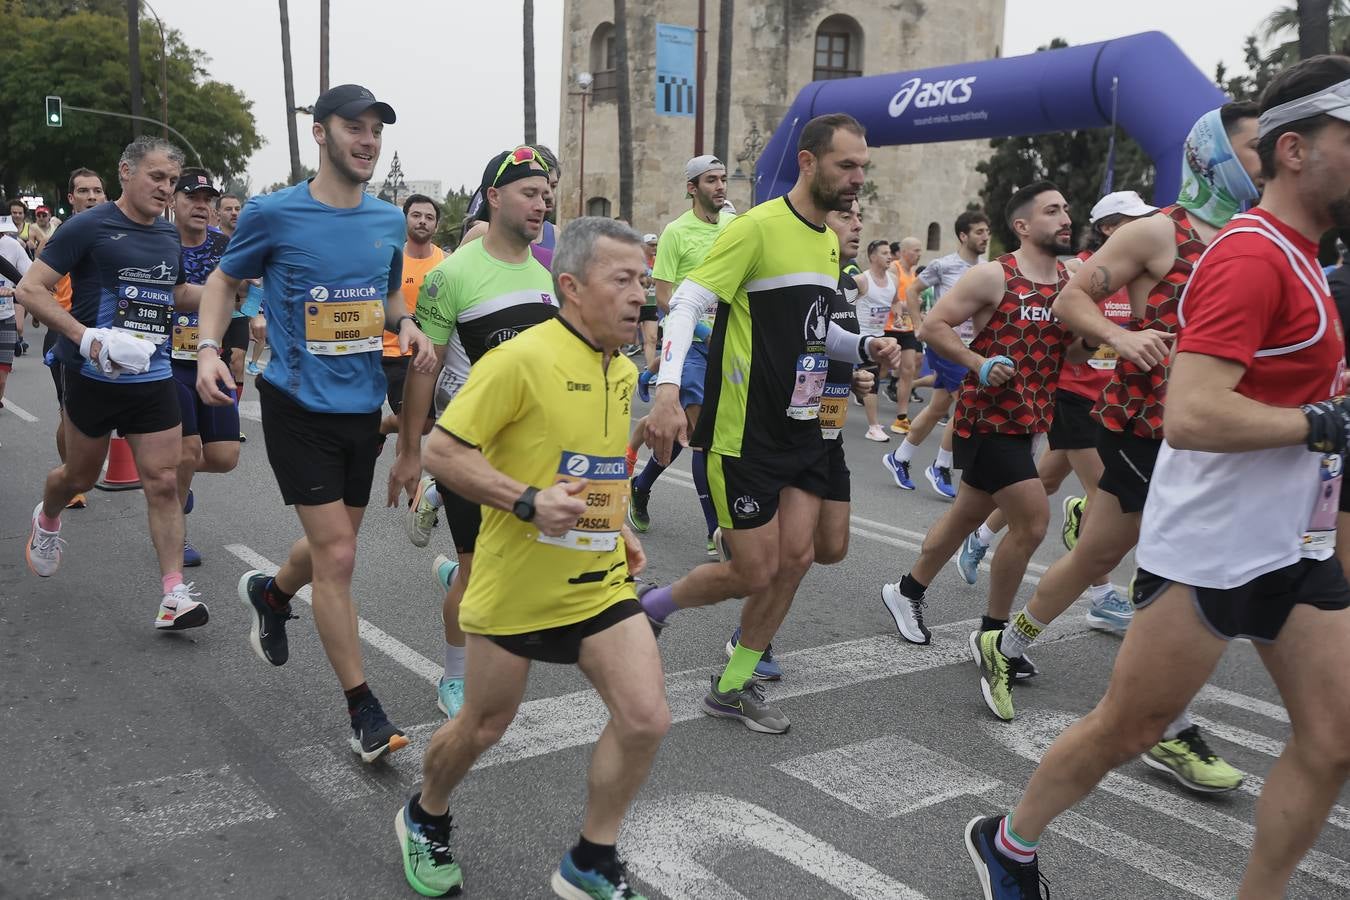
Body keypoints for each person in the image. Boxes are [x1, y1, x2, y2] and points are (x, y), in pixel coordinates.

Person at [967, 56, 1350, 900]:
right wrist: (1317, 423)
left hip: (1293, 541)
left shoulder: (1299, 254)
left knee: (1332, 742)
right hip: (1209, 535)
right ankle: (1011, 840)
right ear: (1293, 151)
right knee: (1126, 725)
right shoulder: (1241, 254)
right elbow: (1194, 414)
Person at [965, 104, 1262, 798]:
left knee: (1112, 558)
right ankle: (1168, 721)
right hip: (1145, 425)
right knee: (1151, 567)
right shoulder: (1162, 230)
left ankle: (1004, 646)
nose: (1267, 159)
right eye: (1254, 148)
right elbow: (1072, 300)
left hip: (1215, 434)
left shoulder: (1258, 235)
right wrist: (1124, 339)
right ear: (1214, 156)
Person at [394, 218, 665, 900]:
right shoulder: (518, 360)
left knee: (645, 717)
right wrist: (525, 502)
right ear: (571, 287)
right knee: (483, 725)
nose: (641, 296)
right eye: (622, 280)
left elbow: (592, 459)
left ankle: (591, 858)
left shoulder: (622, 367)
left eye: (644, 280)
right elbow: (442, 452)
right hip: (515, 584)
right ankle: (424, 815)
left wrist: (618, 522)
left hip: (597, 582)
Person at [639, 114, 902, 732]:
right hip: (748, 431)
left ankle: (731, 685)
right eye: (847, 165)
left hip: (806, 425)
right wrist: (668, 389)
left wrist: (863, 348)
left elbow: (815, 329)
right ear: (808, 163)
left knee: (812, 553)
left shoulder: (825, 242)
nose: (858, 179)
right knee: (755, 570)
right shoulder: (755, 229)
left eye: (863, 166)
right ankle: (653, 604)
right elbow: (687, 304)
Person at [196, 84, 435, 763]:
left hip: (361, 406)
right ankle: (365, 710)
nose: (366, 141)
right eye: (353, 127)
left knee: (333, 547)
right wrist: (210, 349)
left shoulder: (388, 220)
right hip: (295, 404)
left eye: (375, 132)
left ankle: (272, 596)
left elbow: (387, 297)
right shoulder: (274, 213)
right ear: (320, 134)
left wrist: (408, 323)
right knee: (338, 556)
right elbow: (223, 283)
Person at [877, 182, 1079, 663]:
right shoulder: (994, 276)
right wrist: (977, 362)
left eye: (1067, 209)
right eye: (1053, 211)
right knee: (1032, 522)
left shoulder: (1071, 281)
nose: (1066, 218)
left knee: (966, 515)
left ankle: (905, 591)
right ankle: (995, 636)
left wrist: (1093, 345)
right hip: (987, 417)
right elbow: (933, 326)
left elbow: (1068, 351)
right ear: (1023, 226)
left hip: (1031, 420)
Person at [389, 147, 558, 720]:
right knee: (477, 569)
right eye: (530, 193)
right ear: (494, 197)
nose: (543, 203)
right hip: (468, 448)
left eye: (546, 193)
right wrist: (410, 452)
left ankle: (451, 572)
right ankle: (453, 676)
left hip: (530, 449)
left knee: (522, 569)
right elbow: (425, 369)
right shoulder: (450, 276)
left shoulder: (547, 277)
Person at [18, 137, 207, 630]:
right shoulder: (88, 226)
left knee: (163, 482)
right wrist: (87, 339)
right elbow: (30, 289)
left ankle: (173, 595)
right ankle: (48, 517)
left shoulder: (168, 235)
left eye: (172, 181)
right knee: (78, 477)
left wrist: (229, 290)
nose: (166, 189)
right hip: (93, 376)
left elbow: (177, 292)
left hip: (154, 375)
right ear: (126, 171)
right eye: (157, 177)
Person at [955, 191, 1156, 626]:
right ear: (1108, 229)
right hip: (1071, 395)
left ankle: (982, 535)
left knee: (1044, 480)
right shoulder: (1080, 271)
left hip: (1111, 398)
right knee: (1105, 496)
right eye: (1132, 223)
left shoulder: (1137, 275)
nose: (1145, 231)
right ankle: (1101, 593)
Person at [628, 155, 733, 559]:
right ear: (692, 187)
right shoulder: (675, 232)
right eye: (711, 180)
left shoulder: (734, 226)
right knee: (700, 437)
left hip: (727, 344)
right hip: (688, 346)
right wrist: (701, 327)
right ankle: (716, 532)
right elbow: (666, 297)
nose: (720, 186)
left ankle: (640, 486)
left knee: (695, 436)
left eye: (723, 179)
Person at [881, 211, 991, 497]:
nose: (985, 237)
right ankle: (941, 466)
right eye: (979, 232)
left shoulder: (988, 269)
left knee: (938, 408)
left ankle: (900, 458)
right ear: (963, 236)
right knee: (968, 404)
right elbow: (913, 292)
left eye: (987, 231)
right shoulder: (944, 266)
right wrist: (919, 326)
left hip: (971, 347)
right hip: (945, 343)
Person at [169, 169, 239, 569]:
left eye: (206, 199)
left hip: (211, 359)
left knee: (226, 455)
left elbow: (246, 289)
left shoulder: (224, 246)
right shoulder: (158, 242)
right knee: (188, 448)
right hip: (167, 360)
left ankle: (169, 474)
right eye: (191, 197)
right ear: (173, 201)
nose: (200, 205)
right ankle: (174, 534)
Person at [35, 168, 107, 509]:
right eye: (83, 191)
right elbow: (36, 281)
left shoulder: (114, 231)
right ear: (70, 198)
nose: (91, 197)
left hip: (108, 336)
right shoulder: (65, 235)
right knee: (69, 413)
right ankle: (71, 474)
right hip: (66, 333)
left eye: (97, 191)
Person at [380, 193, 445, 437]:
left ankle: (384, 428)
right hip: (395, 351)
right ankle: (406, 471)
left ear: (436, 226)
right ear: (405, 220)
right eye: (416, 215)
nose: (422, 221)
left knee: (423, 425)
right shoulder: (392, 259)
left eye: (429, 217)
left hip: (433, 353)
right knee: (411, 421)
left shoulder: (446, 262)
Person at [460, 144, 562, 267]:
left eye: (553, 186)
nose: (548, 194)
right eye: (530, 192)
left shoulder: (555, 234)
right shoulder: (483, 232)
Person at [855, 239, 898, 442]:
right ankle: (873, 427)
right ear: (872, 257)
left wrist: (898, 315)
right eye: (884, 253)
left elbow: (896, 302)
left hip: (879, 334)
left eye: (890, 252)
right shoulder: (861, 280)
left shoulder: (893, 280)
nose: (889, 256)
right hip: (861, 337)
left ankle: (856, 386)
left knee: (881, 373)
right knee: (872, 378)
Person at [886, 236, 923, 429]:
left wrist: (917, 306)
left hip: (907, 328)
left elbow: (912, 298)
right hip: (889, 327)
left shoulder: (914, 273)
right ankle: (864, 395)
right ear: (905, 251)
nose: (919, 254)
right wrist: (908, 307)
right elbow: (889, 299)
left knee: (908, 370)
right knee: (878, 369)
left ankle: (902, 416)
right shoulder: (894, 269)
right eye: (916, 250)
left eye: (920, 250)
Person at [0, 218, 31, 411]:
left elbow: (28, 276)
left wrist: (19, 290)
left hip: (5, 316)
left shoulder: (13, 246)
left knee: (2, 378)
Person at [638, 232, 660, 375]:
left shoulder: (658, 261)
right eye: (651, 245)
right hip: (636, 304)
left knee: (651, 338)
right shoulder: (637, 261)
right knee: (622, 338)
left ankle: (650, 372)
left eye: (656, 245)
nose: (654, 248)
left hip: (651, 303)